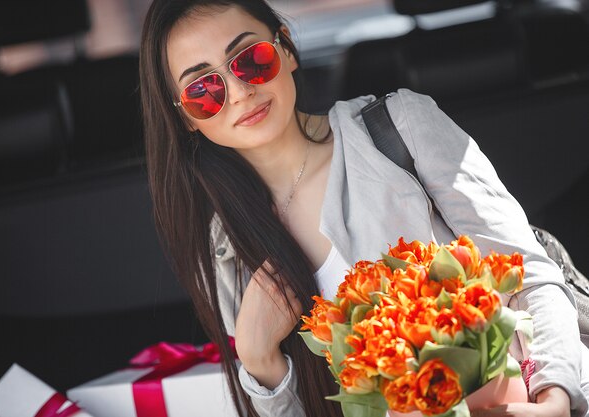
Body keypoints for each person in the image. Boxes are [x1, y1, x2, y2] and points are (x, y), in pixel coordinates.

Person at [138, 1, 589, 416]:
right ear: (184, 117)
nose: (237, 92)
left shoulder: (400, 128)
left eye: (251, 60)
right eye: (203, 90)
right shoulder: (225, 246)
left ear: (287, 49)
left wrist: (556, 399)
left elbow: (531, 274)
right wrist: (259, 360)